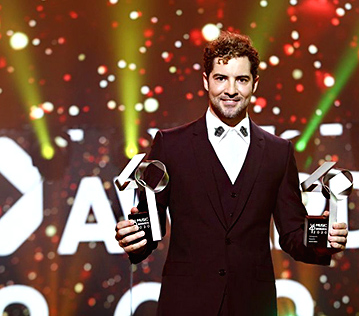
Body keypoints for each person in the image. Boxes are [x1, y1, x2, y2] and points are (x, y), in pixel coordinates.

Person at [115, 31, 348, 315]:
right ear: (206, 80)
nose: (231, 90)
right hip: (186, 303)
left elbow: (291, 234)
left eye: (241, 79)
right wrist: (134, 239)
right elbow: (150, 225)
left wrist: (323, 240)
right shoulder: (170, 145)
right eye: (221, 78)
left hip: (253, 303)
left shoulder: (278, 152)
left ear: (254, 84)